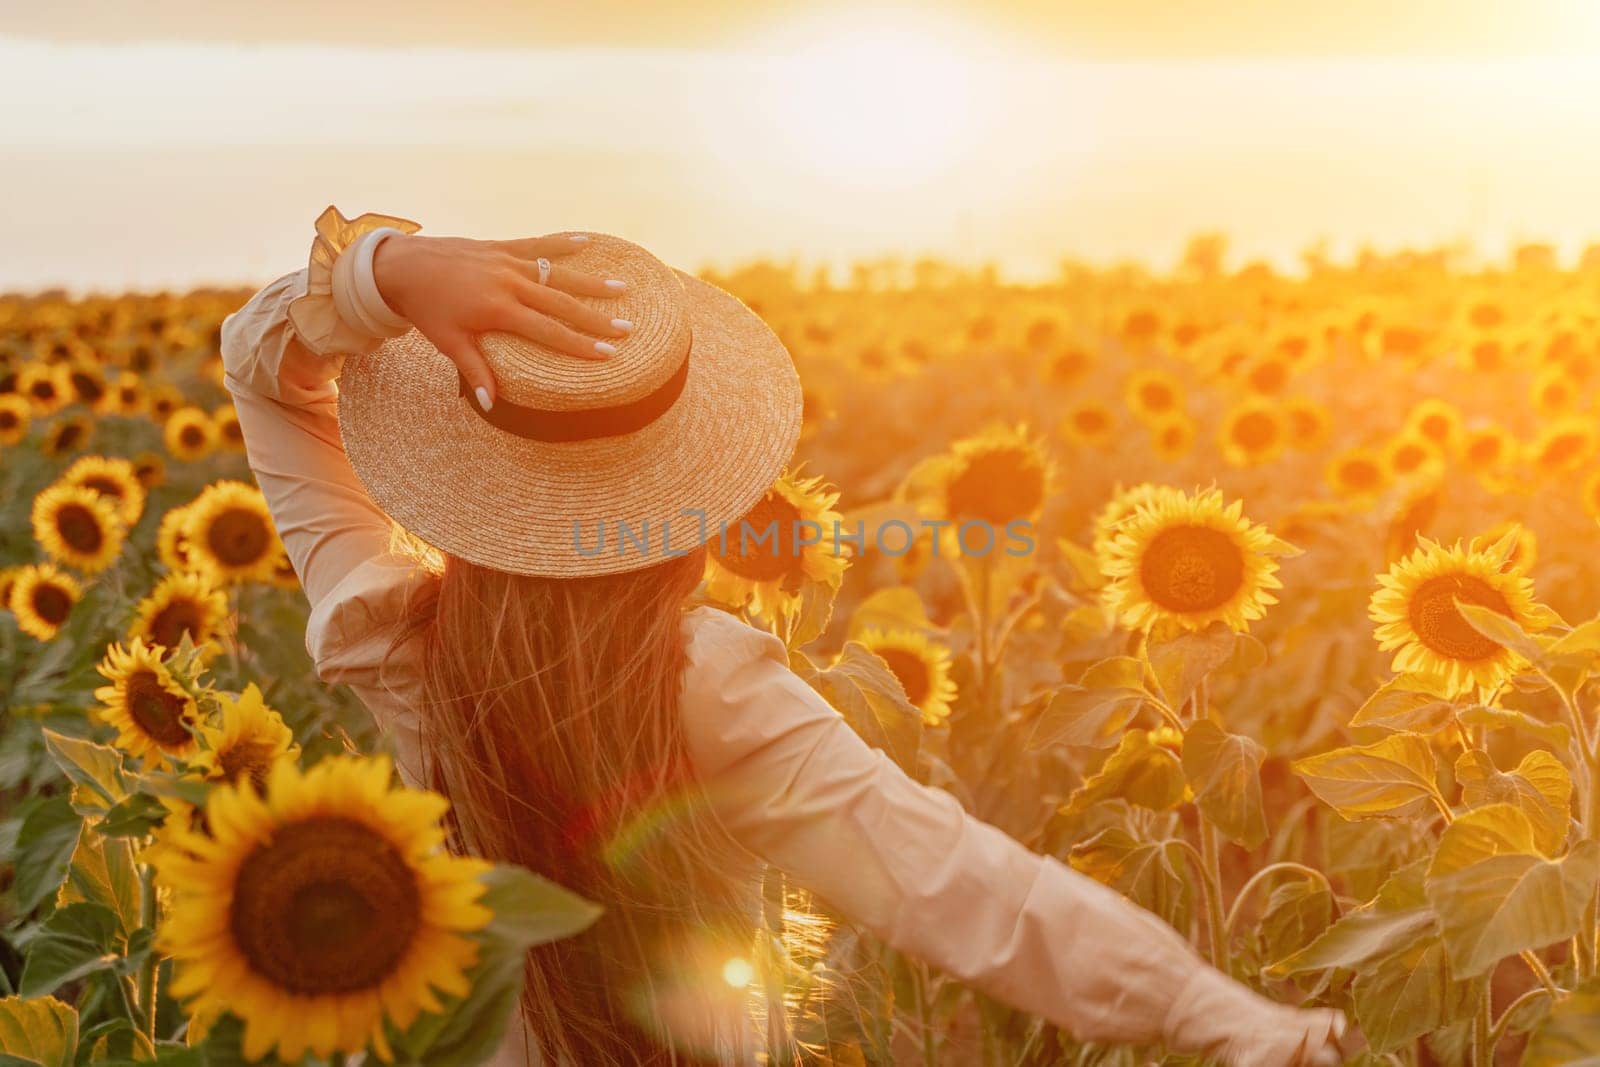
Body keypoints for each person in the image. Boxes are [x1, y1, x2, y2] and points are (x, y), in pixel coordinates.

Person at [221, 206, 1352, 1066]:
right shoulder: (703, 682)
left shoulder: (389, 635)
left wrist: (383, 273)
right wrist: (1225, 1018)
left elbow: (264, 370)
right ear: (691, 483)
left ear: (466, 469)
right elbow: (964, 886)